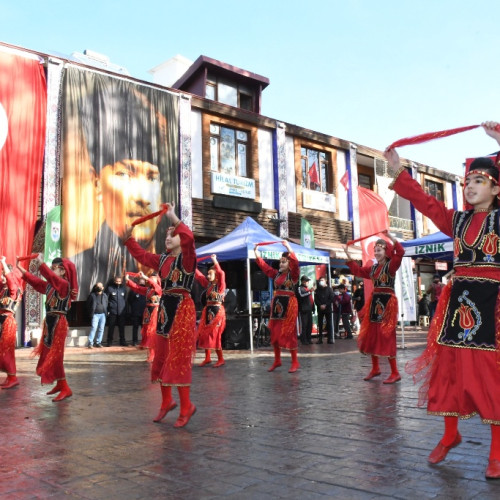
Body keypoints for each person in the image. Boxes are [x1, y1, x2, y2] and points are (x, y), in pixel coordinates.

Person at [384, 121, 500, 479]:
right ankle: (450, 434)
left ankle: (497, 450)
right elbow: (425, 202)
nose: (469, 186)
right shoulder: (457, 220)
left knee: (491, 374)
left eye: (478, 180)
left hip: (494, 304)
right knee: (450, 370)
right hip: (460, 302)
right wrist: (399, 171)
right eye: (467, 181)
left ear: (496, 187)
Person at [63, 81, 177, 299]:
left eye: (152, 177)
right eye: (124, 174)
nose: (143, 197)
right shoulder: (79, 265)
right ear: (96, 181)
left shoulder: (171, 265)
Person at [123, 202, 198, 428]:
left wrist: (174, 217)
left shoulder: (188, 258)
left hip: (182, 310)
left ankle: (186, 406)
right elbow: (143, 256)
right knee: (162, 357)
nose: (168, 237)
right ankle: (166, 401)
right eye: (166, 234)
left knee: (178, 358)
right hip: (166, 309)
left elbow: (189, 240)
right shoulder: (163, 260)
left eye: (173, 234)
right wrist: (129, 239)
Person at [344, 231, 404, 384]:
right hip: (375, 301)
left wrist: (389, 236)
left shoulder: (391, 266)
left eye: (379, 250)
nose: (376, 253)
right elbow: (358, 271)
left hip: (387, 302)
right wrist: (347, 254)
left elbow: (401, 252)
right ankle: (375, 368)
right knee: (372, 334)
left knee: (387, 335)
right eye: (375, 250)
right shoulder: (373, 268)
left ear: (386, 251)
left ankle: (395, 372)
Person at [17, 255, 78, 401]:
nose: (51, 270)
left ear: (63, 271)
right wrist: (21, 270)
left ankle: (65, 387)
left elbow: (52, 278)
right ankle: (61, 384)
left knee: (56, 356)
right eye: (51, 268)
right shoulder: (51, 286)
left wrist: (41, 264)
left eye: (54, 268)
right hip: (50, 322)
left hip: (58, 322)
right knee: (51, 354)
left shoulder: (64, 285)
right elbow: (37, 283)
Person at [254, 241, 300, 372]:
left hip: (289, 305)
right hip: (277, 305)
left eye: (284, 262)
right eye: (280, 262)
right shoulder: (277, 274)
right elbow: (265, 268)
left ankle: (295, 362)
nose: (281, 264)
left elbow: (296, 263)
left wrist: (288, 247)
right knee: (274, 332)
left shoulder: (293, 275)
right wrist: (256, 253)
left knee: (289, 332)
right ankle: (277, 360)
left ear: (289, 264)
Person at [195, 254, 227, 367]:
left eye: (210, 274)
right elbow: (199, 276)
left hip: (217, 311)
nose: (208, 276)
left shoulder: (220, 286)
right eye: (207, 274)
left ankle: (221, 359)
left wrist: (215, 261)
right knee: (205, 333)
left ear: (216, 275)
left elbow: (222, 273)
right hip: (208, 311)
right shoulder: (208, 285)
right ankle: (207, 358)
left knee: (215, 334)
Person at [125, 272, 161, 361]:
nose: (151, 280)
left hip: (155, 312)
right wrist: (128, 280)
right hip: (148, 311)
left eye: (153, 278)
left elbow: (155, 286)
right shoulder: (148, 290)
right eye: (151, 278)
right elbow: (137, 288)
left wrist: (146, 277)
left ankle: (156, 355)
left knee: (154, 332)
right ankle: (151, 355)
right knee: (148, 332)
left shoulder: (159, 289)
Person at [0, 257, 23, 389]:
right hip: (1, 320)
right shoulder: (3, 288)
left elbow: (10, 282)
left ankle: (13, 378)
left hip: (8, 321)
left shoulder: (13, 288)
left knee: (7, 351)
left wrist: (3, 263)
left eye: (4, 274)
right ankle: (10, 376)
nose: (3, 276)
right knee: (3, 350)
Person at [105, 276, 128, 347]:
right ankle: (109, 341)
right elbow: (106, 299)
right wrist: (108, 308)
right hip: (113, 311)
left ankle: (122, 341)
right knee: (111, 326)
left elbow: (125, 299)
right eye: (117, 281)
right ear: (114, 281)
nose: (118, 283)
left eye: (119, 281)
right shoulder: (110, 288)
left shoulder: (123, 289)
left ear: (121, 282)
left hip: (121, 311)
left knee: (121, 327)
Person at [126, 275, 147, 347]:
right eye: (141, 281)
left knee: (144, 328)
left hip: (144, 313)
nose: (142, 283)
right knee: (135, 327)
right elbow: (129, 300)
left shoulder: (147, 290)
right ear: (138, 282)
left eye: (143, 281)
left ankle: (144, 341)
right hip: (135, 312)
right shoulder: (134, 290)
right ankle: (134, 341)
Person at [86, 282, 107, 348]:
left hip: (103, 315)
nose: (99, 288)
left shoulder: (105, 295)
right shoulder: (92, 295)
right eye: (98, 286)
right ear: (95, 287)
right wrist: (91, 313)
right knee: (94, 328)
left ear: (103, 288)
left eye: (101, 286)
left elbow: (106, 303)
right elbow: (88, 305)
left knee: (101, 329)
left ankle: (98, 342)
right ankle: (90, 343)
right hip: (95, 315)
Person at [314, 277, 334, 343]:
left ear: (325, 281)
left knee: (329, 323)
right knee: (320, 323)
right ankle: (320, 338)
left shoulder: (329, 289)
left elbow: (331, 298)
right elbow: (316, 299)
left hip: (328, 309)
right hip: (320, 309)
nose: (321, 281)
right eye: (320, 280)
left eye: (322, 280)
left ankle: (330, 338)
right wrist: (320, 305)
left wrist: (326, 305)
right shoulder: (317, 290)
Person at [297, 275, 315, 345]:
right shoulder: (300, 288)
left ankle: (308, 338)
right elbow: (302, 295)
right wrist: (310, 291)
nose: (308, 282)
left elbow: (310, 299)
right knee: (304, 325)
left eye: (308, 281)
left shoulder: (307, 289)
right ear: (303, 281)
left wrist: (313, 307)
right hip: (303, 309)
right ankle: (303, 339)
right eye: (307, 281)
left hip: (309, 309)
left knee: (309, 325)